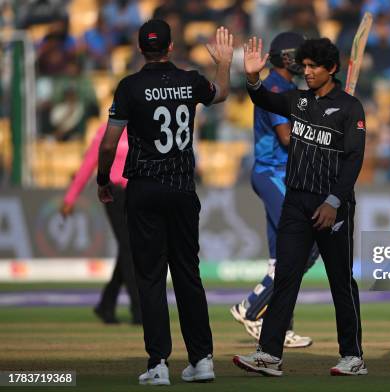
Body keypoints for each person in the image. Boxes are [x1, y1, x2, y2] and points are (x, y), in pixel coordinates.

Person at [96, 19, 233, 385]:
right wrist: (223, 61)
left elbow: (108, 144)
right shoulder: (189, 80)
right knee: (188, 275)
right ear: (171, 47)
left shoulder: (129, 86)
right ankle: (202, 360)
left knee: (151, 278)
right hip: (182, 189)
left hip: (143, 190)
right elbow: (220, 93)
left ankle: (158, 364)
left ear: (141, 49)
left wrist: (102, 178)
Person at [233, 37, 367, 376]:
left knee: (341, 281)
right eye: (303, 66)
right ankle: (269, 355)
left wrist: (334, 202)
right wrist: (251, 77)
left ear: (332, 69)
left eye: (313, 67)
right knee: (286, 276)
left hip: (331, 205)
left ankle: (352, 356)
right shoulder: (299, 100)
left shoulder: (351, 109)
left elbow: (353, 161)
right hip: (296, 201)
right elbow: (263, 97)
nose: (305, 72)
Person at [229, 31, 318, 349]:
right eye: (300, 55)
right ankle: (251, 308)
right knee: (304, 246)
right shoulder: (275, 87)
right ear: (286, 57)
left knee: (281, 260)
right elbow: (286, 137)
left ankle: (279, 325)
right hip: (273, 174)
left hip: (282, 175)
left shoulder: (289, 87)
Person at [61, 122, 140, 325]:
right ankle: (138, 310)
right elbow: (89, 164)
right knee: (129, 247)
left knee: (128, 248)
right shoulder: (106, 131)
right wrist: (70, 198)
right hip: (114, 193)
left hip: (137, 193)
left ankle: (106, 304)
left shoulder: (141, 125)